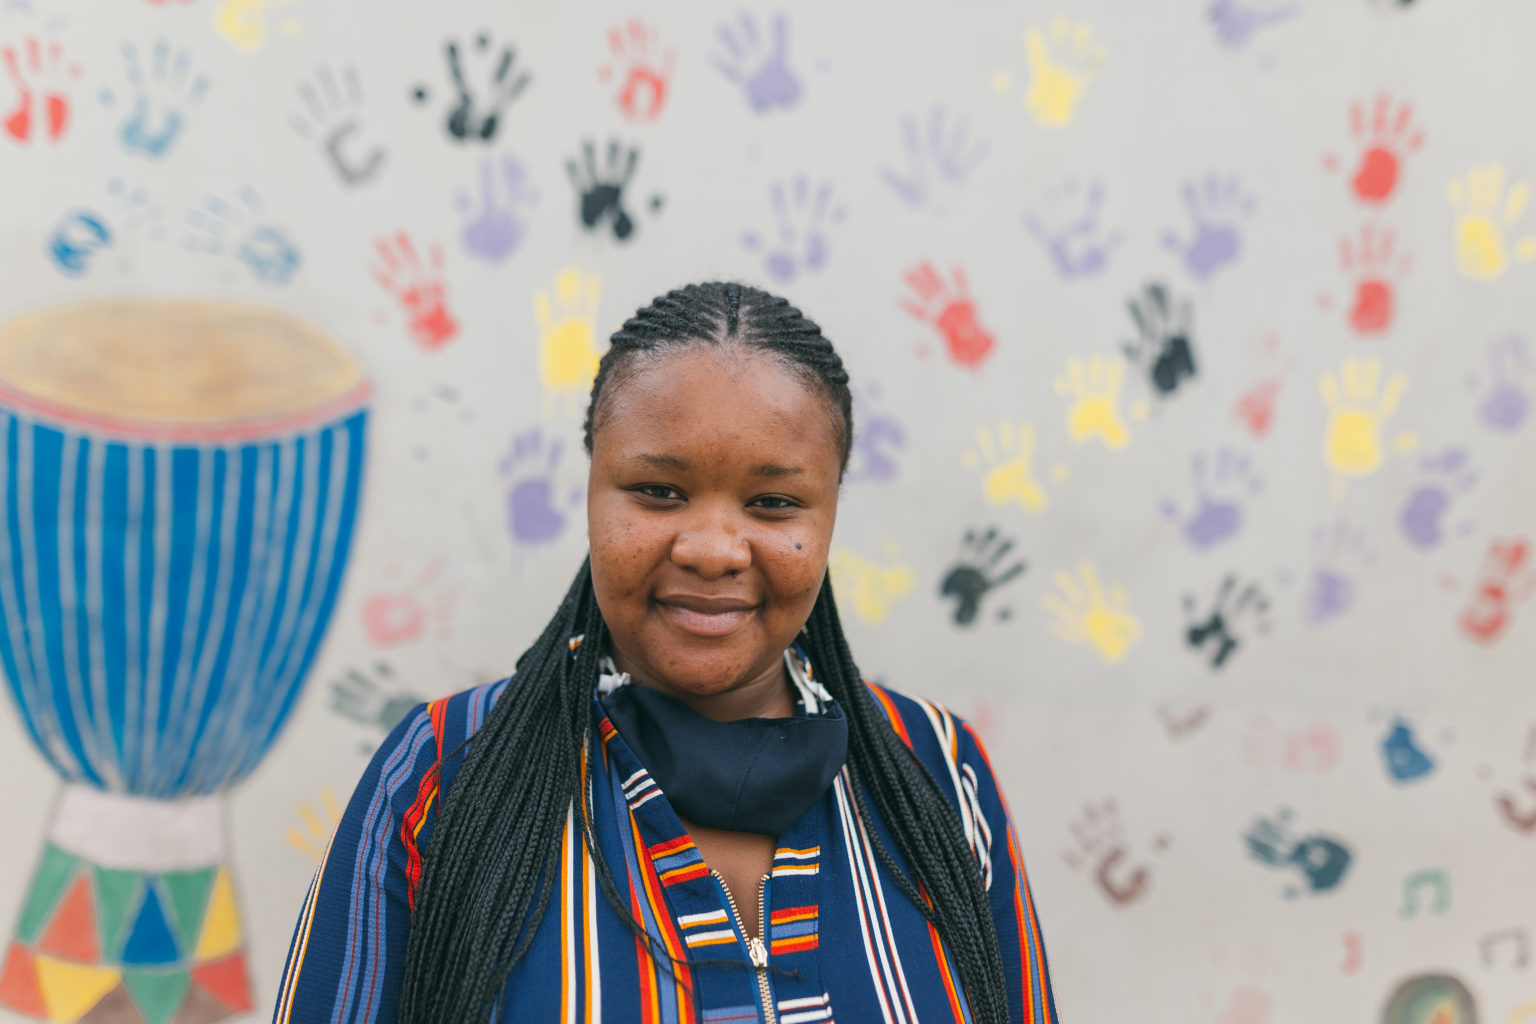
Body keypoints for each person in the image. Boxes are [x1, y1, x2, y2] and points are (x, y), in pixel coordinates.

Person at [272, 282, 1060, 1023]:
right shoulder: (443, 774)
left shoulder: (938, 771)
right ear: (591, 489)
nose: (714, 549)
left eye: (774, 502)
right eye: (657, 491)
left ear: (829, 513)